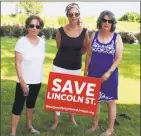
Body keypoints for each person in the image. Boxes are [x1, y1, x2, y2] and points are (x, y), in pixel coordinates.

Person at [51, 2, 90, 129]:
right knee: (57, 93)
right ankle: (56, 121)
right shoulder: (60, 31)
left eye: (76, 14)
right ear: (67, 15)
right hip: (59, 65)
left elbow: (85, 49)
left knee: (72, 94)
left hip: (75, 67)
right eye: (71, 14)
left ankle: (71, 118)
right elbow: (59, 47)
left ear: (79, 15)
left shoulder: (85, 32)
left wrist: (75, 55)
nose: (73, 16)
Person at [84, 10, 123, 136]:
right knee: (94, 101)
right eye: (104, 20)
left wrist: (109, 72)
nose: (107, 23)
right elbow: (89, 55)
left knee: (110, 101)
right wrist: (85, 70)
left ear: (112, 23)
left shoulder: (117, 37)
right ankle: (94, 125)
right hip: (93, 73)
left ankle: (110, 129)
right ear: (100, 21)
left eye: (109, 21)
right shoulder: (94, 35)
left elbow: (118, 58)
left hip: (109, 75)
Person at [10, 15, 45, 136]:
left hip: (37, 80)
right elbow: (17, 63)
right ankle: (13, 132)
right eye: (32, 25)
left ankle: (29, 125)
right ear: (27, 27)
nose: (34, 28)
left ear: (40, 28)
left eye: (37, 26)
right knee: (18, 105)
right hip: (24, 81)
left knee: (31, 104)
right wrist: (22, 81)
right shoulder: (21, 42)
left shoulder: (42, 42)